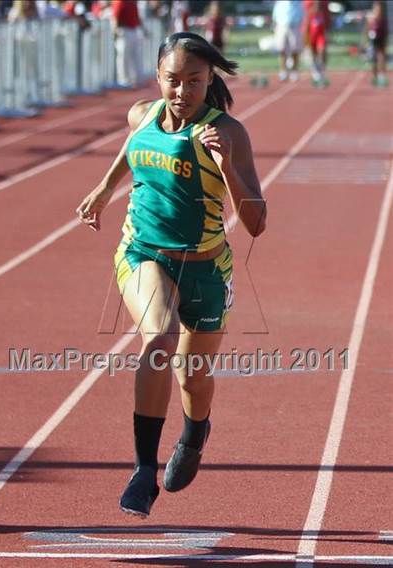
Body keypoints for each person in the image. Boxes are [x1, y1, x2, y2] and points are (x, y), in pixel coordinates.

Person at [76, 31, 267, 518]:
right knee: (158, 340)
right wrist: (103, 189)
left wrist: (224, 163)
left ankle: (195, 431)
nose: (182, 92)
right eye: (172, 80)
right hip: (142, 253)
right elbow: (133, 146)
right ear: (158, 77)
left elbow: (257, 224)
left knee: (193, 377)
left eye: (194, 82)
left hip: (205, 267)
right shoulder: (141, 113)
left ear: (210, 81)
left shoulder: (228, 131)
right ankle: (143, 470)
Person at [111, 0, 144, 87]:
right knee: (132, 56)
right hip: (131, 30)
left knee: (124, 57)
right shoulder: (130, 2)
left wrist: (114, 31)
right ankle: (134, 79)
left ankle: (124, 80)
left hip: (126, 31)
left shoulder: (121, 2)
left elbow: (115, 17)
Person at [272, 0, 304, 82]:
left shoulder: (298, 2)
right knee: (281, 49)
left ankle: (294, 71)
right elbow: (275, 14)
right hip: (281, 26)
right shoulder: (280, 2)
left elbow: (302, 14)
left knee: (295, 50)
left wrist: (300, 24)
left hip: (294, 26)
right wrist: (275, 25)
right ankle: (283, 71)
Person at [303, 0, 331, 85]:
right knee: (313, 53)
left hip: (320, 35)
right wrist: (305, 37)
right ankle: (315, 69)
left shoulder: (323, 11)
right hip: (311, 34)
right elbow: (306, 26)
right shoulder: (309, 13)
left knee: (322, 50)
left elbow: (327, 21)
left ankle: (322, 68)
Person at [365, 0, 389, 87]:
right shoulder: (370, 17)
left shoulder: (383, 19)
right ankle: (375, 76)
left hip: (381, 38)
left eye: (379, 8)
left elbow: (386, 31)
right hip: (373, 39)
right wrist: (367, 39)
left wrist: (386, 40)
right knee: (374, 59)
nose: (377, 9)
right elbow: (366, 29)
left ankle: (381, 76)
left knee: (381, 56)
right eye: (376, 8)